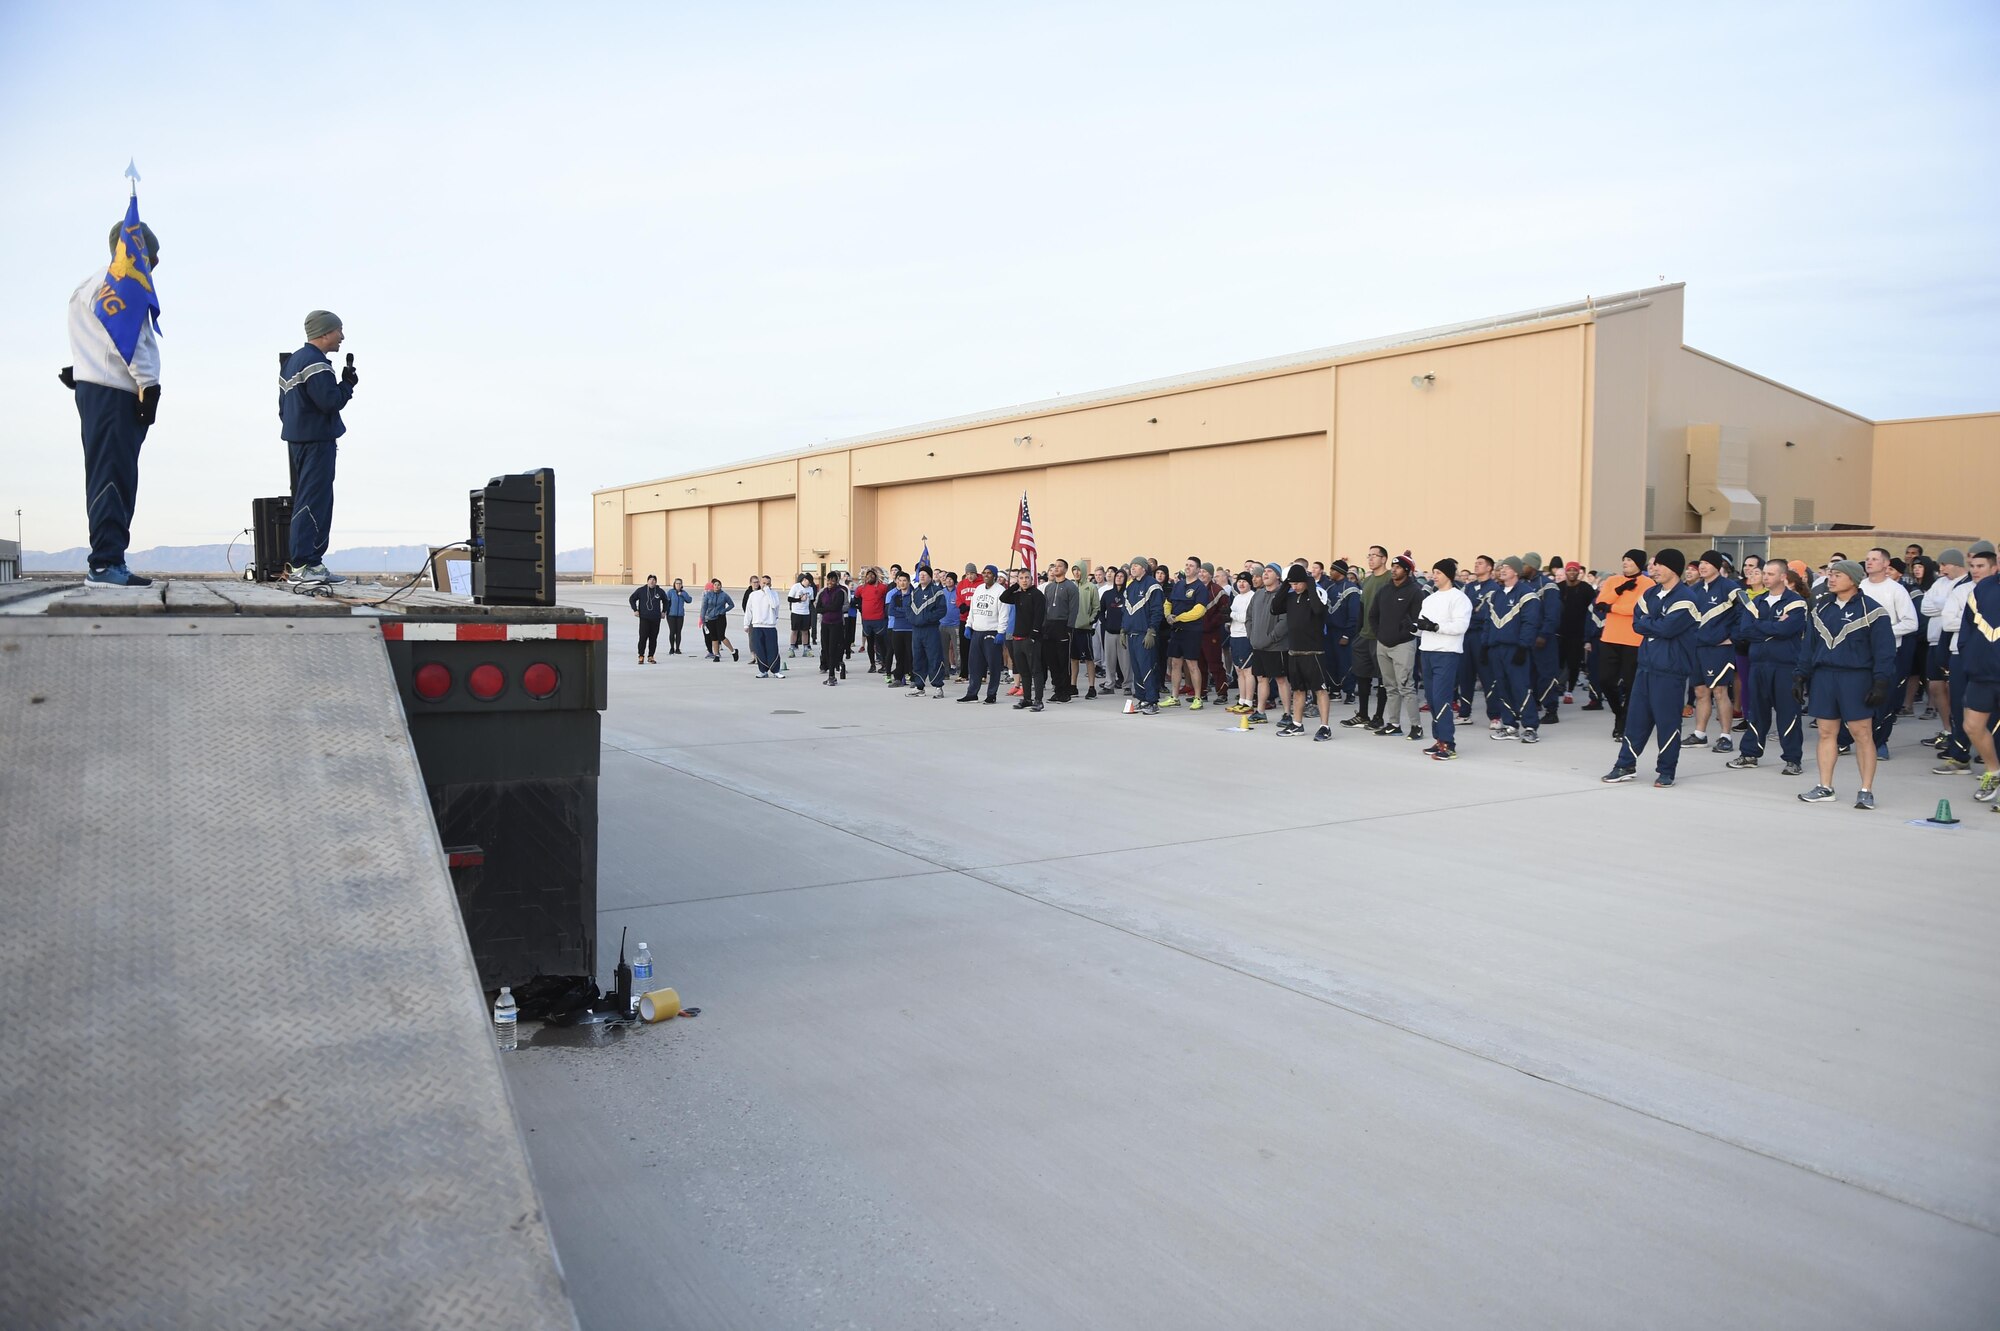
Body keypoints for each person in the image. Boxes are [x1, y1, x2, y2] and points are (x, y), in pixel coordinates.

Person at [65, 217, 164, 589]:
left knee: (109, 473)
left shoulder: (86, 286)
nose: (155, 263)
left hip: (96, 387)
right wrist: (149, 387)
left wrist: (79, 368)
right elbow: (131, 342)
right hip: (117, 391)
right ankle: (105, 564)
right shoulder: (124, 285)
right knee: (113, 475)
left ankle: (109, 558)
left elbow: (90, 336)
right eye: (152, 255)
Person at [1796, 560, 1896, 809]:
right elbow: (1809, 645)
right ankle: (1825, 786)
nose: (1831, 579)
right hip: (1824, 677)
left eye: (1837, 575)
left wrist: (1881, 682)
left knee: (1862, 734)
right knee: (1826, 732)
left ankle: (1865, 790)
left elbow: (1885, 651)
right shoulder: (1821, 608)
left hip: (1856, 678)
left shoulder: (1872, 610)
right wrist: (1800, 675)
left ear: (1853, 579)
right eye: (1830, 574)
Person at [1601, 549, 1700, 788]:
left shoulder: (1686, 598)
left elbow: (1667, 629)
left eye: (1658, 566)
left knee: (1667, 723)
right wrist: (1654, 623)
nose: (1652, 569)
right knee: (1635, 720)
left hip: (1671, 671)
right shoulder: (1650, 593)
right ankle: (1624, 765)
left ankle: (1666, 770)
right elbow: (1637, 623)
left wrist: (1650, 623)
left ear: (1672, 568)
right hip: (1645, 667)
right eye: (1653, 565)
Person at [278, 310, 358, 584]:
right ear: (325, 332)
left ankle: (304, 563)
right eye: (339, 331)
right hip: (317, 441)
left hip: (297, 440)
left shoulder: (292, 363)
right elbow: (329, 401)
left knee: (304, 498)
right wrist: (346, 385)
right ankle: (306, 565)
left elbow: (283, 408)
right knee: (316, 501)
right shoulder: (317, 363)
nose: (342, 337)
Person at [1726, 560, 1808, 775]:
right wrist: (1774, 626)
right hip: (1758, 665)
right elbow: (1745, 631)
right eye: (1765, 573)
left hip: (1785, 666)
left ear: (1783, 577)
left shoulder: (1796, 602)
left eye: (1771, 574)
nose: (1765, 577)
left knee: (1788, 713)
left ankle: (1792, 760)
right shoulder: (1756, 602)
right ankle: (1750, 753)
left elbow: (1788, 630)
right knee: (1756, 712)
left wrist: (1762, 627)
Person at [1856, 547, 1920, 756]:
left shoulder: (1896, 590)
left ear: (1886, 564)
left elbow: (1911, 623)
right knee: (1857, 697)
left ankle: (1880, 742)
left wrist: (1883, 633)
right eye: (1867, 559)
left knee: (1884, 699)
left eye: (1875, 559)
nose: (1869, 562)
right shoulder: (1858, 587)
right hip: (1858, 652)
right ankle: (1849, 740)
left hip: (1888, 653)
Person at [1951, 541, 2000, 803]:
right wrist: (1970, 657)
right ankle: (1994, 772)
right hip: (1982, 673)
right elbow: (1967, 628)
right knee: (1972, 726)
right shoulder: (1984, 588)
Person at [1683, 551, 1744, 753]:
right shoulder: (1695, 589)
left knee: (1720, 691)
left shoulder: (1731, 587)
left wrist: (1732, 637)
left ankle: (1725, 736)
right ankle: (1700, 734)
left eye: (1707, 563)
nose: (1702, 566)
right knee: (1701, 692)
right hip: (1697, 648)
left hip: (1719, 649)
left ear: (1718, 566)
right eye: (1700, 563)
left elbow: (1746, 614)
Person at [1416, 558, 1472, 759]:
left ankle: (1448, 743)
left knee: (1441, 697)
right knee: (1431, 698)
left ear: (1448, 575)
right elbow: (1422, 626)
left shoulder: (1459, 598)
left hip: (1447, 653)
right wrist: (1413, 628)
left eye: (1438, 573)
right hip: (1427, 651)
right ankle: (1439, 739)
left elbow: (1461, 626)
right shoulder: (1429, 599)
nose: (1434, 576)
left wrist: (1436, 627)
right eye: (1433, 572)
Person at [1593, 551, 1652, 740]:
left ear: (1639, 564)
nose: (1625, 563)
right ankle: (1619, 712)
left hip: (1633, 640)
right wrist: (1619, 590)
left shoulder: (1648, 584)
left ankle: (1624, 722)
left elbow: (1637, 609)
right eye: (1624, 560)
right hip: (1610, 638)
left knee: (1630, 684)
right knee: (1605, 680)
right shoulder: (1613, 581)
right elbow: (1600, 603)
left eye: (1629, 560)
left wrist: (1612, 608)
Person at [1269, 564, 1332, 740]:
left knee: (1320, 690)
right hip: (1294, 651)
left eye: (1298, 583)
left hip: (1313, 652)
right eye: (1292, 584)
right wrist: (1285, 585)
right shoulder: (1290, 597)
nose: (1295, 587)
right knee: (1298, 690)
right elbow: (1275, 608)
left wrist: (1310, 583)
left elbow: (1319, 610)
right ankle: (1297, 724)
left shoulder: (1316, 593)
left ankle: (1325, 726)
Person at [1483, 557, 1542, 742]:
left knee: (1520, 687)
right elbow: (1487, 622)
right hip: (1496, 649)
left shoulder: (1527, 594)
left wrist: (1523, 647)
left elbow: (1530, 623)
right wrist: (1485, 646)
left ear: (1516, 571)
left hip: (1515, 649)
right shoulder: (1495, 595)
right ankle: (1510, 726)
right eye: (1501, 567)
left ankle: (1531, 726)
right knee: (1502, 687)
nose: (1502, 570)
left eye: (1507, 567)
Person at [1368, 551, 1425, 739]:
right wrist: (1380, 634)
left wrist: (1402, 634)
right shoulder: (1384, 590)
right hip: (1383, 644)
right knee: (1389, 686)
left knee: (1406, 686)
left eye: (1398, 567)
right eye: (1393, 566)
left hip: (1403, 645)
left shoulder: (1415, 591)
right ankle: (1393, 724)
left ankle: (1416, 726)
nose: (1393, 570)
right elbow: (1373, 615)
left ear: (1407, 570)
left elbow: (1418, 619)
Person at [1347, 546, 1391, 727]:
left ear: (1384, 559)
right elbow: (1363, 608)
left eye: (1375, 556)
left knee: (1382, 678)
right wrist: (1358, 634)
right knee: (1362, 675)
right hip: (1364, 635)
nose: (1371, 559)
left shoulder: (1390, 579)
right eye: (1369, 556)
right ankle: (1363, 714)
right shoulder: (1367, 581)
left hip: (1381, 637)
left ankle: (1378, 716)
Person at [1520, 553, 1564, 726]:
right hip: (1526, 637)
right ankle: (1533, 705)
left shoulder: (1548, 586)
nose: (1522, 567)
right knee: (1528, 674)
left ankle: (1551, 710)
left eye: (1524, 564)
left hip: (1542, 637)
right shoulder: (1522, 585)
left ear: (1533, 566)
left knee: (1546, 674)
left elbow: (1553, 614)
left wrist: (1544, 634)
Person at [1162, 557, 1209, 709]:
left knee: (1192, 664)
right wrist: (1168, 615)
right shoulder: (1178, 585)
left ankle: (1197, 698)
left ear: (1198, 570)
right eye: (1186, 565)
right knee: (1175, 663)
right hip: (1176, 631)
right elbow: (1168, 602)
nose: (1188, 568)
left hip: (1192, 631)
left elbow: (1199, 611)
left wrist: (1179, 618)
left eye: (1191, 566)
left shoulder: (1200, 588)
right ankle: (1174, 696)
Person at [1000, 567, 1049, 712]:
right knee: (1024, 671)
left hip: (1031, 639)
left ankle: (1038, 700)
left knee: (1036, 670)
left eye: (1027, 578)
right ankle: (1027, 698)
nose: (1024, 581)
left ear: (1031, 579)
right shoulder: (1018, 595)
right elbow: (1003, 597)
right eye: (1021, 578)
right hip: (1017, 638)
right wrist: (1015, 585)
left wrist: (1033, 636)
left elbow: (1039, 616)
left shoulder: (1037, 595)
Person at [1246, 563, 1289, 724]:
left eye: (1269, 571)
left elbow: (1284, 622)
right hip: (1258, 645)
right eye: (1264, 572)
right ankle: (1260, 712)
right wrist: (1252, 636)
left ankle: (1287, 713)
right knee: (1261, 679)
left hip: (1276, 646)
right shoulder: (1257, 595)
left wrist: (1270, 638)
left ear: (1277, 576)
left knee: (1281, 679)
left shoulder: (1283, 595)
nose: (1265, 574)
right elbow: (1249, 617)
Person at [1123, 557, 1166, 714]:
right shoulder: (1131, 586)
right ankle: (1142, 698)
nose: (1132, 568)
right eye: (1132, 566)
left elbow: (1157, 610)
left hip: (1145, 633)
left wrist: (1152, 630)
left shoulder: (1152, 586)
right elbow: (1126, 611)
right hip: (1132, 634)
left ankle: (1152, 701)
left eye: (1136, 566)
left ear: (1144, 568)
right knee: (1137, 669)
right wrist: (1123, 629)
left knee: (1148, 667)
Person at [958, 565, 1007, 704]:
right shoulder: (979, 589)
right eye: (984, 573)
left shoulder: (1000, 591)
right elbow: (973, 609)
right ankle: (972, 693)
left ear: (995, 576)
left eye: (989, 573)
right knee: (974, 664)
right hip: (977, 631)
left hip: (992, 631)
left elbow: (1004, 614)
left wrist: (1001, 632)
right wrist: (968, 625)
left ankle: (992, 694)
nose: (986, 575)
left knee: (993, 664)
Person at [1042, 559, 1080, 703]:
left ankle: (1065, 691)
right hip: (1049, 626)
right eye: (1054, 566)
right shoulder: (1049, 587)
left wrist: (1069, 627)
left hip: (1063, 626)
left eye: (1059, 566)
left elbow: (1074, 609)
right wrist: (1043, 626)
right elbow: (1045, 608)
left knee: (1063, 660)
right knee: (1052, 661)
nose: (1056, 568)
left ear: (1065, 569)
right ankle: (1057, 690)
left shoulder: (1071, 587)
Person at [1557, 561, 1594, 701]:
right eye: (1569, 570)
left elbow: (1592, 610)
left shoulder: (1586, 589)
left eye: (1575, 570)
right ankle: (1557, 686)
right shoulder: (1559, 587)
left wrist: (1588, 635)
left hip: (1578, 632)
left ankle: (1569, 691)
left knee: (1573, 663)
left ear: (1579, 572)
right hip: (1560, 631)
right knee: (1559, 662)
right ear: (1566, 572)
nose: (1572, 572)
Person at [908, 566, 947, 698]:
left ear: (930, 577)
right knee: (918, 658)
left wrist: (926, 618)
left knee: (934, 657)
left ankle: (938, 686)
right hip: (916, 631)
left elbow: (942, 610)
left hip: (931, 630)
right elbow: (908, 609)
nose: (922, 576)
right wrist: (913, 619)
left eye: (925, 574)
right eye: (920, 574)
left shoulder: (937, 591)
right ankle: (919, 686)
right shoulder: (914, 592)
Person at [1226, 571, 1258, 714]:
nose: (1241, 584)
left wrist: (1231, 614)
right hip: (1234, 635)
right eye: (1239, 581)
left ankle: (1249, 702)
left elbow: (1246, 617)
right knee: (1239, 670)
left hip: (1246, 636)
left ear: (1250, 583)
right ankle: (1242, 700)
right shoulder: (1237, 597)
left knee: (1247, 670)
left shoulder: (1252, 596)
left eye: (1244, 581)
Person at [1071, 563, 1102, 699]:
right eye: (1074, 570)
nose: (1076, 573)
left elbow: (1096, 607)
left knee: (1089, 658)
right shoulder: (1071, 587)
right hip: (1072, 629)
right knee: (1073, 659)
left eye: (1078, 570)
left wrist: (1090, 621)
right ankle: (1073, 686)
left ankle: (1091, 687)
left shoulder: (1091, 587)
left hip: (1085, 629)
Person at [746, 575, 785, 677]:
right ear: (760, 583)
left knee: (772, 649)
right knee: (760, 649)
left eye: (768, 584)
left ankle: (776, 670)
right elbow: (748, 610)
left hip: (770, 626)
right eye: (763, 583)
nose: (765, 585)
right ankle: (763, 671)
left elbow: (774, 605)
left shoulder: (774, 594)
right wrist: (746, 624)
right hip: (757, 625)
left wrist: (768, 592)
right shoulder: (753, 595)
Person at [816, 572, 850, 685]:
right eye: (828, 580)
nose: (830, 582)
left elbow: (837, 607)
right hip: (825, 624)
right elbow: (817, 608)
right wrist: (828, 608)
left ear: (836, 581)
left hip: (836, 624)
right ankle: (829, 672)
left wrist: (826, 608)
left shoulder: (840, 592)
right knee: (825, 649)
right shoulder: (823, 593)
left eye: (833, 580)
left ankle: (832, 675)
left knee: (833, 649)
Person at [884, 571, 914, 687]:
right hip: (897, 629)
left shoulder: (913, 595)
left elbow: (912, 612)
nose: (902, 583)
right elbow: (891, 611)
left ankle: (912, 678)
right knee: (899, 655)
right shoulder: (895, 596)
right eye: (900, 580)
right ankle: (898, 678)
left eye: (904, 580)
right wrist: (905, 612)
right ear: (897, 581)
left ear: (908, 582)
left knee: (910, 655)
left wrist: (901, 611)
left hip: (910, 629)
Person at [856, 569, 890, 672]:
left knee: (881, 643)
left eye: (872, 575)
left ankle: (884, 664)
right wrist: (860, 608)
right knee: (870, 643)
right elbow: (856, 598)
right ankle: (872, 664)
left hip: (879, 619)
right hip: (866, 620)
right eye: (868, 576)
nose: (869, 577)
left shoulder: (883, 587)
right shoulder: (861, 588)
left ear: (876, 577)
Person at [629, 575, 667, 663]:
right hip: (644, 618)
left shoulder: (659, 591)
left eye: (654, 580)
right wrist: (635, 609)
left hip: (656, 618)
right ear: (647, 581)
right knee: (643, 637)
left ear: (656, 582)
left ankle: (651, 656)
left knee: (653, 638)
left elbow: (666, 601)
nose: (652, 581)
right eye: (650, 580)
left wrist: (664, 611)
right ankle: (641, 655)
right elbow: (632, 599)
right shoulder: (641, 590)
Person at [700, 579, 737, 661]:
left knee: (721, 636)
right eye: (715, 585)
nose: (717, 586)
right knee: (714, 637)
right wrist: (702, 619)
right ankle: (716, 655)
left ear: (721, 586)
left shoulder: (724, 595)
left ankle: (733, 651)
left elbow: (731, 604)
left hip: (720, 618)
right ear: (713, 586)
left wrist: (723, 611)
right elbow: (704, 607)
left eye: (718, 585)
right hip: (710, 618)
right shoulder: (708, 595)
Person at [788, 572, 817, 657]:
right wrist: (799, 599)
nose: (810, 583)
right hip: (796, 612)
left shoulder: (810, 589)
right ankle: (792, 648)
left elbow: (811, 600)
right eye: (809, 581)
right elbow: (789, 598)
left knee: (805, 631)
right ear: (804, 580)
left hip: (806, 612)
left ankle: (806, 649)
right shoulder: (796, 587)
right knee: (794, 631)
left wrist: (815, 604)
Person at [663, 577, 693, 653]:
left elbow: (689, 600)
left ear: (682, 585)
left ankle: (678, 648)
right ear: (674, 584)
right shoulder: (670, 592)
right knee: (672, 631)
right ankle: (672, 648)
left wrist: (682, 594)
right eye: (677, 583)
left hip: (680, 615)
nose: (678, 585)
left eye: (680, 583)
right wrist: (664, 611)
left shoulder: (684, 592)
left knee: (678, 632)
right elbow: (666, 601)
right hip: (671, 615)